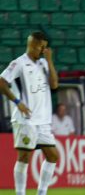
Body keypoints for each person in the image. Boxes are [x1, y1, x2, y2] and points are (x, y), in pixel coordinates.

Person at [0, 31, 59, 195]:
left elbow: (54, 85)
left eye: (45, 48)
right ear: (33, 45)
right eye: (42, 47)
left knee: (53, 156)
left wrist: (49, 60)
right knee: (24, 157)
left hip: (43, 121)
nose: (43, 50)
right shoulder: (19, 63)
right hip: (26, 120)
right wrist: (17, 102)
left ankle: (42, 192)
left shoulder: (44, 64)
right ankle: (20, 193)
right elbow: (1, 82)